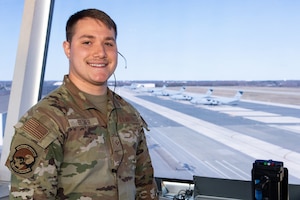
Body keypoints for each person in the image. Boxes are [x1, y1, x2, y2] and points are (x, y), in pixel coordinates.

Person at [5, 8, 158, 199]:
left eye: (108, 43)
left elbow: (145, 185)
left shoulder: (128, 114)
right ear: (68, 49)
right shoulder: (46, 119)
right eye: (87, 42)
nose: (100, 53)